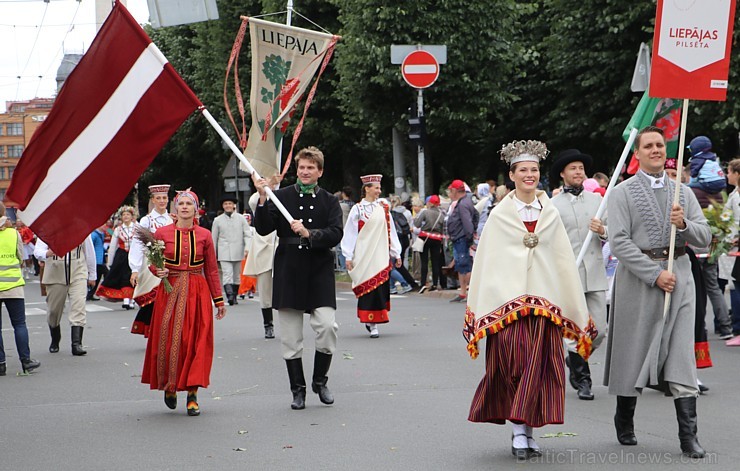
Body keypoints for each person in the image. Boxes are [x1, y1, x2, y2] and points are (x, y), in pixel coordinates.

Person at [464, 140, 596, 459]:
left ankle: (526, 431)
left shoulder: (549, 213)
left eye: (534, 170)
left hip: (543, 308)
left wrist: (568, 302)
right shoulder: (499, 216)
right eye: (523, 170)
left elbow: (561, 261)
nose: (529, 175)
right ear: (512, 175)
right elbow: (488, 262)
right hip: (506, 306)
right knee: (510, 366)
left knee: (538, 368)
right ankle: (518, 429)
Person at [604, 126, 711, 458]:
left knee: (681, 354)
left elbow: (705, 237)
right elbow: (619, 242)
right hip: (638, 279)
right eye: (648, 146)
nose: (655, 150)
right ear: (636, 154)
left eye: (660, 145)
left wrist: (683, 225)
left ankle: (688, 436)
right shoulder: (621, 193)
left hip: (680, 278)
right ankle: (625, 418)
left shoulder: (684, 192)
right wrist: (654, 274)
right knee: (633, 351)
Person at [252, 146, 343, 410]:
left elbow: (336, 233)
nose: (305, 171)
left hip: (318, 270)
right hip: (289, 269)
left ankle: (320, 381)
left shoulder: (330, 200)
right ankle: (298, 390)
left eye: (310, 168)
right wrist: (261, 198)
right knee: (291, 338)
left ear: (320, 172)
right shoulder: (280, 196)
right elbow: (263, 228)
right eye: (302, 167)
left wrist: (310, 233)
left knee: (327, 327)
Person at [141, 189, 226, 416]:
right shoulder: (161, 233)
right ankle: (170, 385)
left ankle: (192, 393)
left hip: (197, 291)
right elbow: (152, 260)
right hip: (170, 291)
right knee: (169, 340)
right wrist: (157, 269)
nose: (185, 207)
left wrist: (218, 300)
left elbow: (211, 270)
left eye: (190, 204)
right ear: (175, 208)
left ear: (196, 209)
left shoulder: (205, 235)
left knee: (195, 342)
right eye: (182, 204)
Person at [549, 149, 609, 401]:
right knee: (575, 331)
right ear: (563, 174)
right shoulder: (552, 206)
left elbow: (613, 234)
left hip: (594, 272)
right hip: (568, 276)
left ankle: (573, 360)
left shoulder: (598, 202)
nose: (578, 172)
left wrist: (602, 229)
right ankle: (583, 379)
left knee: (600, 330)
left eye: (581, 168)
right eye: (572, 168)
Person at [341, 174, 402, 339]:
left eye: (379, 188)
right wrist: (348, 255)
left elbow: (391, 231)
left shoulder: (383, 207)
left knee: (379, 287)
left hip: (380, 254)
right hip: (363, 254)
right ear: (367, 189)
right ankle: (369, 321)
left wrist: (396, 252)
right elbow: (350, 234)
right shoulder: (357, 209)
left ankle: (375, 322)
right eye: (376, 187)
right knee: (368, 288)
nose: (379, 191)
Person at [34, 236, 97, 356]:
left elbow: (89, 252)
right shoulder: (48, 229)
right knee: (54, 311)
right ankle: (55, 336)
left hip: (78, 270)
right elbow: (38, 251)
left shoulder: (81, 228)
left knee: (78, 306)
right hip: (55, 271)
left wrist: (92, 274)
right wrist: (47, 253)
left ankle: (76, 344)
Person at [0, 202, 40, 376]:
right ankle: (26, 361)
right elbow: (20, 256)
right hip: (13, 285)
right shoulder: (13, 234)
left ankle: (1, 364)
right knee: (19, 324)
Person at [129, 184, 174, 336]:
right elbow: (137, 245)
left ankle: (168, 330)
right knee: (154, 299)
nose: (162, 201)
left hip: (170, 264)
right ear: (153, 200)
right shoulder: (146, 221)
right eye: (158, 198)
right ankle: (154, 330)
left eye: (164, 198)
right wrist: (135, 269)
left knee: (169, 298)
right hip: (151, 265)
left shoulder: (172, 219)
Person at [245, 188, 279, 339]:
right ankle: (268, 324)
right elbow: (253, 202)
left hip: (281, 249)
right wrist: (264, 189)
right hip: (264, 251)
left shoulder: (283, 196)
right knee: (265, 292)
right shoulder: (258, 198)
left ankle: (286, 323)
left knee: (285, 288)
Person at [211, 194, 251, 306]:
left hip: (239, 249)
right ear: (223, 206)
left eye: (230, 203)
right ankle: (230, 296)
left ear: (234, 205)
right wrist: (212, 253)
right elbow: (213, 238)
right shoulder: (217, 220)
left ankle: (235, 294)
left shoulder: (241, 218)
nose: (228, 206)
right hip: (224, 250)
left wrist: (247, 248)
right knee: (227, 273)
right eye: (225, 204)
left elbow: (247, 234)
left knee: (236, 275)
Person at [96, 206, 136, 309]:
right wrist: (110, 261)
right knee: (124, 277)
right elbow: (113, 245)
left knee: (134, 277)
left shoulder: (137, 227)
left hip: (134, 255)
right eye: (124, 215)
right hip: (122, 256)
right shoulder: (118, 229)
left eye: (128, 214)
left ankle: (131, 300)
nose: (126, 216)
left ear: (132, 217)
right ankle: (127, 300)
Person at [446, 179, 477, 303]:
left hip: (461, 238)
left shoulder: (463, 204)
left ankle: (469, 292)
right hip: (461, 238)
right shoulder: (464, 202)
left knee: (464, 266)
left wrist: (469, 236)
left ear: (455, 190)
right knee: (461, 265)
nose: (449, 193)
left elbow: (467, 222)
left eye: (450, 190)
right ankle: (463, 293)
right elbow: (475, 216)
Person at [413, 195, 446, 293]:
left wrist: (416, 218)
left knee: (424, 261)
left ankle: (423, 283)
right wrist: (442, 243)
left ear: (430, 203)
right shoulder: (441, 215)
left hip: (425, 238)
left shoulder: (425, 212)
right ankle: (435, 283)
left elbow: (417, 224)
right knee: (435, 262)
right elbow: (443, 230)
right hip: (436, 239)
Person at [725, 158, 740, 345]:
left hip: (737, 244)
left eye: (729, 171)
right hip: (735, 244)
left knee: (737, 285)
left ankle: (738, 327)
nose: (727, 175)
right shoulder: (734, 194)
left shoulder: (737, 197)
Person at [88, 224, 108, 301]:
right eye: (103, 225)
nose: (104, 227)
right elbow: (90, 246)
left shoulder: (102, 234)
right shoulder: (94, 234)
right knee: (107, 274)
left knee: (98, 277)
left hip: (100, 258)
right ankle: (105, 291)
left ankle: (90, 294)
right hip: (96, 259)